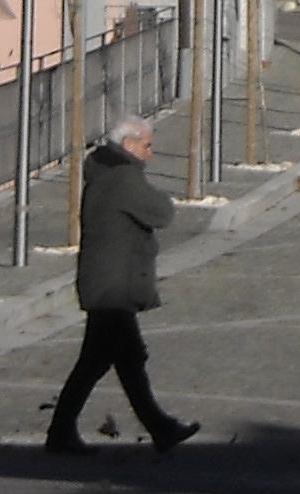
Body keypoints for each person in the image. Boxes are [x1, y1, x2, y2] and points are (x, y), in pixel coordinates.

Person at [44, 117, 199, 455]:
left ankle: (66, 433)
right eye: (147, 145)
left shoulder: (106, 172)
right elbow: (161, 213)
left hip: (106, 280)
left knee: (105, 360)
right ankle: (158, 428)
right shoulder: (123, 178)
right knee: (120, 358)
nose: (151, 153)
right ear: (129, 145)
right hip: (113, 285)